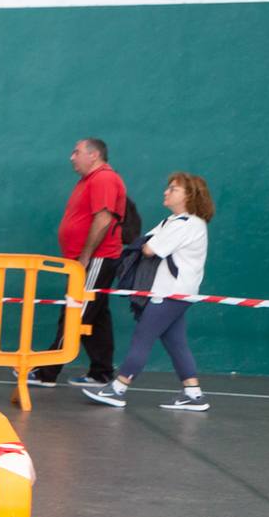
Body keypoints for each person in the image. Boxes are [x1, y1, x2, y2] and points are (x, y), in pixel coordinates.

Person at [82, 173, 214, 413]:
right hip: (177, 293)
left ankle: (118, 388)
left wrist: (146, 244)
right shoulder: (175, 222)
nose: (166, 191)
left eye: (173, 189)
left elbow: (150, 248)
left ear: (189, 196)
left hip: (169, 293)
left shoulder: (186, 224)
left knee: (142, 338)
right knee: (176, 343)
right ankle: (193, 394)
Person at [34, 137, 128, 389]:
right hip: (85, 260)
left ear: (94, 155)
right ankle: (101, 372)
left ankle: (46, 372)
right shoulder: (89, 180)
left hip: (96, 259)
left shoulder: (104, 178)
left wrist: (86, 256)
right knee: (96, 317)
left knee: (75, 313)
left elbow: (103, 218)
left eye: (76, 152)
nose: (71, 157)